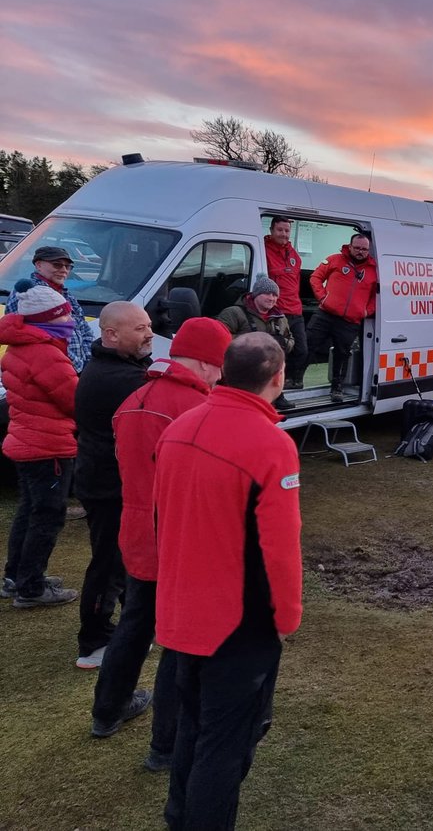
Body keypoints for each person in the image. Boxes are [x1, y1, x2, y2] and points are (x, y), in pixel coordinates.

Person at [157, 333, 303, 830]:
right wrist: (286, 617)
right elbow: (280, 548)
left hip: (183, 609)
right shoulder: (271, 444)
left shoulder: (179, 427)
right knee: (225, 743)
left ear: (222, 370)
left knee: (194, 728)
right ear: (278, 378)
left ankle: (179, 816)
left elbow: (164, 516)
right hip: (236, 621)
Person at [90, 318, 231, 767]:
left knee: (135, 621)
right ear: (209, 364)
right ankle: (165, 745)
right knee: (179, 640)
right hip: (179, 533)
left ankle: (107, 710)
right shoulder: (198, 407)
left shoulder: (134, 398)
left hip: (136, 529)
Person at [74, 301, 155, 670]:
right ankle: (94, 642)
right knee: (107, 564)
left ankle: (130, 626)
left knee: (124, 561)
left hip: (114, 482)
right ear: (111, 335)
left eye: (149, 325)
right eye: (139, 329)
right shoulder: (117, 379)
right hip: (107, 486)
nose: (149, 333)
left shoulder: (122, 367)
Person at [1, 280, 80, 607]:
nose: (70, 320)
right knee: (47, 515)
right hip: (49, 447)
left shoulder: (18, 348)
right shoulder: (46, 354)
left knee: (29, 510)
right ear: (47, 319)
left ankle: (15, 576)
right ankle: (31, 587)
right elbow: (74, 399)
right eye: (63, 316)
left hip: (24, 440)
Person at [307, 232, 378, 402]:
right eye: (357, 248)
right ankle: (293, 380)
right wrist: (323, 298)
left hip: (350, 321)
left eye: (364, 249)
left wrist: (366, 311)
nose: (360, 251)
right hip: (325, 314)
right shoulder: (335, 259)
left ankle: (337, 388)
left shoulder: (373, 270)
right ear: (350, 246)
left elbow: (377, 296)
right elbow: (315, 278)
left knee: (342, 354)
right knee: (308, 345)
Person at [5, 245, 94, 372]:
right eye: (57, 265)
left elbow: (84, 329)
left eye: (68, 266)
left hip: (75, 370)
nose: (64, 270)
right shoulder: (26, 294)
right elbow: (20, 334)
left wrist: (86, 363)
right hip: (47, 370)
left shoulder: (66, 294)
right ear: (39, 265)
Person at [218, 275, 296, 410]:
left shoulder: (280, 317)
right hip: (240, 374)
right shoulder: (234, 313)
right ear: (256, 294)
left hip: (269, 373)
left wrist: (283, 344)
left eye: (274, 295)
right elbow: (218, 336)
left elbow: (291, 339)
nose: (271, 298)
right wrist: (250, 342)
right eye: (267, 293)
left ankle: (277, 397)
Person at [263, 216, 308, 390]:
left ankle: (291, 381)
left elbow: (295, 283)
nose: (284, 234)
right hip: (277, 312)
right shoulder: (264, 251)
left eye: (287, 230)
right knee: (280, 353)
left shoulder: (294, 255)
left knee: (301, 350)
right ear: (272, 231)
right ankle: (276, 389)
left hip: (295, 311)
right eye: (280, 230)